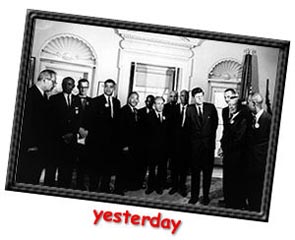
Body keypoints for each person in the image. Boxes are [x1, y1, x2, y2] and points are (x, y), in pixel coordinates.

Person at [16, 69, 57, 184]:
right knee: (26, 179)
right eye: (53, 82)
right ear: (45, 80)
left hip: (40, 148)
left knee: (34, 178)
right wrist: (31, 144)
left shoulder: (43, 96)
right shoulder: (30, 95)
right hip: (31, 148)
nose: (54, 85)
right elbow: (26, 123)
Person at [85, 79, 121, 193]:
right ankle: (93, 189)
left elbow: (117, 122)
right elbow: (91, 122)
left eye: (111, 87)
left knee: (107, 168)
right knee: (95, 168)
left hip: (111, 143)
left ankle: (104, 189)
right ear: (104, 87)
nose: (108, 89)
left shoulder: (117, 102)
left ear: (114, 88)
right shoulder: (95, 101)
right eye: (106, 86)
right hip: (98, 142)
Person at [186, 87, 218, 205]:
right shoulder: (189, 109)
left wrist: (210, 142)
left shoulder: (211, 108)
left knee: (207, 173)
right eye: (197, 97)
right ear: (193, 98)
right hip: (195, 148)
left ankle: (205, 196)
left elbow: (214, 126)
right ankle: (194, 196)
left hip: (208, 147)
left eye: (201, 96)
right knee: (195, 173)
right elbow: (188, 129)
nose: (199, 98)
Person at [49, 77, 81, 188]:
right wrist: (62, 135)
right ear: (62, 85)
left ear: (73, 86)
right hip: (58, 139)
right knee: (54, 165)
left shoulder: (77, 100)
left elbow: (79, 119)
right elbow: (51, 120)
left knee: (68, 165)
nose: (69, 86)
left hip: (72, 139)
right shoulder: (54, 99)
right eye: (67, 84)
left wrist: (72, 133)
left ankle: (65, 187)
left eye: (71, 84)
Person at [220, 96, 248, 209]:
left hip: (237, 157)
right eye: (229, 105)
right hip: (229, 156)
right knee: (227, 179)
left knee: (235, 181)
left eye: (233, 105)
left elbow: (238, 139)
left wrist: (225, 148)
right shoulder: (230, 118)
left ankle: (235, 204)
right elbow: (226, 135)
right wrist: (222, 146)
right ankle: (228, 201)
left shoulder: (242, 120)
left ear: (238, 106)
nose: (231, 107)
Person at [246, 92, 271, 211]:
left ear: (254, 103)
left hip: (260, 163)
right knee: (251, 188)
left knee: (258, 190)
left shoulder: (267, 119)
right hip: (251, 162)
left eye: (249, 103)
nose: (247, 105)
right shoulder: (253, 118)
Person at [114, 92, 141, 195]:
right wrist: (124, 145)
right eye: (133, 98)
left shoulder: (136, 111)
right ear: (129, 98)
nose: (135, 100)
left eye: (137, 98)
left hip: (133, 146)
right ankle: (118, 189)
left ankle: (126, 186)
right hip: (125, 145)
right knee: (121, 168)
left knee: (128, 167)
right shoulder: (123, 110)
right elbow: (120, 130)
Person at [169, 90, 190, 197]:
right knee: (174, 166)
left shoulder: (191, 109)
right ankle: (174, 186)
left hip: (186, 144)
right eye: (182, 96)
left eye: (186, 96)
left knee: (183, 167)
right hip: (174, 143)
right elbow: (169, 126)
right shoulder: (174, 108)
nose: (183, 98)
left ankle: (182, 186)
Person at [145, 96, 168, 195]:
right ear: (154, 105)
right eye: (158, 103)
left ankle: (159, 186)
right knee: (152, 168)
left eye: (162, 103)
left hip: (163, 148)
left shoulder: (167, 115)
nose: (160, 106)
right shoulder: (149, 115)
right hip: (152, 147)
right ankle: (150, 187)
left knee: (162, 168)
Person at [218, 88, 237, 205]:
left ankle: (234, 200)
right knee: (226, 174)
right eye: (225, 97)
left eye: (229, 96)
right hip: (227, 147)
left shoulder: (242, 110)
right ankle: (227, 198)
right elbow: (226, 130)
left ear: (235, 97)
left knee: (235, 176)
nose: (227, 99)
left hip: (237, 149)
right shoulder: (225, 111)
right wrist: (222, 146)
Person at [75, 78, 92, 190]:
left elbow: (94, 119)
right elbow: (70, 117)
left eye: (85, 87)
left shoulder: (92, 101)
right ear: (78, 87)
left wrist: (88, 131)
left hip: (88, 136)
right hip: (75, 134)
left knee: (84, 162)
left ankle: (81, 184)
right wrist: (78, 129)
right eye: (81, 87)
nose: (83, 89)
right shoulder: (73, 99)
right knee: (73, 161)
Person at [137, 95, 155, 188]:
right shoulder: (139, 112)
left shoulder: (156, 113)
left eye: (151, 101)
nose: (149, 103)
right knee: (141, 164)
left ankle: (150, 183)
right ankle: (140, 181)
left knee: (151, 164)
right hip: (141, 143)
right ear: (145, 102)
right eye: (148, 101)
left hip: (151, 143)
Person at [163, 90, 179, 188]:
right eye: (171, 96)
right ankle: (163, 181)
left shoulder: (179, 108)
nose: (173, 98)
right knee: (164, 162)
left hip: (175, 140)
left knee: (174, 162)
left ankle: (173, 182)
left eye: (175, 96)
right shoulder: (165, 107)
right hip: (166, 138)